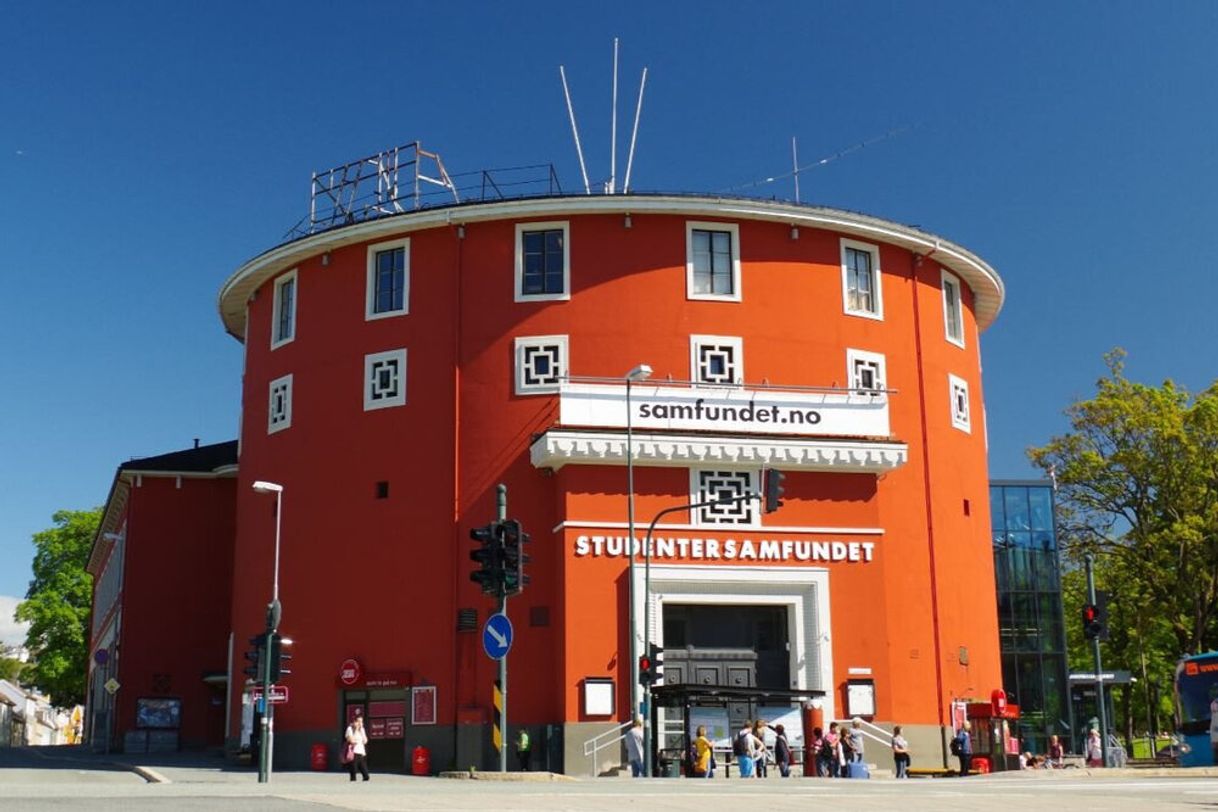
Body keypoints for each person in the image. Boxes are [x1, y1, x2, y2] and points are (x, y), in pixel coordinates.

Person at [344, 715, 370, 782]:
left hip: (361, 753)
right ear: (354, 722)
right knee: (353, 775)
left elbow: (365, 741)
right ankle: (352, 789)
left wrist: (361, 731)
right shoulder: (350, 729)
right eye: (358, 721)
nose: (360, 723)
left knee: (366, 775)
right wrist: (355, 730)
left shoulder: (362, 729)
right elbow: (351, 740)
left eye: (361, 722)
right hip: (353, 753)